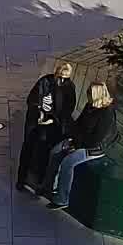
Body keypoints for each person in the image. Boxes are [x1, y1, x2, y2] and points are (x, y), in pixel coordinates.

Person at [48, 82, 118, 209]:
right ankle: (50, 186)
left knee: (68, 162)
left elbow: (96, 139)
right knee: (55, 151)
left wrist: (77, 145)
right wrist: (72, 139)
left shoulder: (106, 113)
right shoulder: (90, 106)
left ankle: (62, 199)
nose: (88, 96)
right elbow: (79, 124)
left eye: (90, 94)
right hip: (79, 141)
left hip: (93, 148)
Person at [16, 63, 77, 192]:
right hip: (36, 120)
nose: (62, 80)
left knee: (46, 149)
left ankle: (40, 179)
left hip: (53, 123)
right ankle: (21, 179)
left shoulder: (69, 87)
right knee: (28, 146)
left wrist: (53, 119)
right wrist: (40, 114)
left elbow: (68, 109)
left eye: (65, 78)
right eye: (60, 76)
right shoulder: (45, 82)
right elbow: (33, 100)